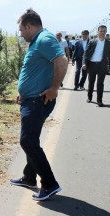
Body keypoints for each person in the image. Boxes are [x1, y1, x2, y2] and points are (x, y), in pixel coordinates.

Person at [9, 9, 66, 201]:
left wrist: (54, 88)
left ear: (29, 26)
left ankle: (49, 183)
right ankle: (29, 177)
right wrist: (23, 92)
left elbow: (62, 61)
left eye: (21, 29)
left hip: (37, 101)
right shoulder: (38, 41)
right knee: (31, 140)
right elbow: (36, 70)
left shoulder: (44, 39)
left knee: (28, 142)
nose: (20, 33)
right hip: (30, 99)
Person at [82, 25, 110, 107]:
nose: (102, 33)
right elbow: (86, 54)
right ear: (98, 32)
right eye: (101, 31)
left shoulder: (109, 43)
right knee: (91, 82)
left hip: (102, 65)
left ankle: (99, 100)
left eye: (104, 31)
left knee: (100, 83)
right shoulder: (92, 42)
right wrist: (84, 63)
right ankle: (89, 97)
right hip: (92, 64)